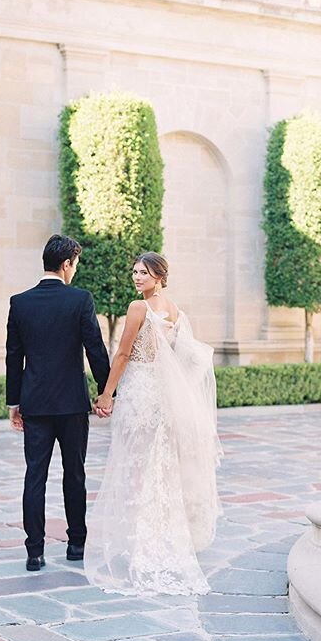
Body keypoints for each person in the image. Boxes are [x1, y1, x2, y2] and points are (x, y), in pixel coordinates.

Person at [85, 252, 221, 595]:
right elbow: (185, 359)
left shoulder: (138, 308)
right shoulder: (175, 310)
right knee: (158, 465)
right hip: (162, 398)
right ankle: (160, 534)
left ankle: (141, 539)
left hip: (140, 393)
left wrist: (106, 394)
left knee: (134, 466)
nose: (136, 278)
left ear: (159, 276)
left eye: (143, 273)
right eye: (134, 272)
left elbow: (123, 354)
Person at [6, 234, 110, 571]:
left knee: (34, 475)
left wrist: (14, 403)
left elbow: (13, 357)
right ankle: (76, 543)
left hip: (34, 403)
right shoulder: (80, 300)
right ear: (66, 264)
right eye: (75, 264)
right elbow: (95, 348)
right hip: (72, 404)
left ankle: (34, 552)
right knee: (74, 473)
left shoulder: (20, 302)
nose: (75, 271)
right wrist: (108, 391)